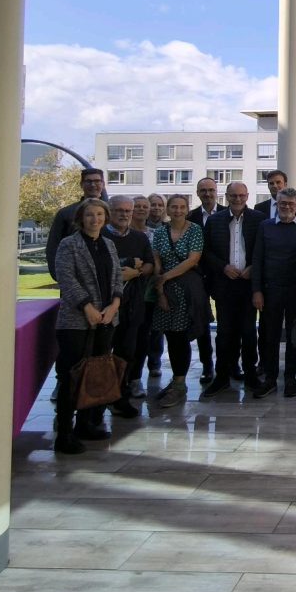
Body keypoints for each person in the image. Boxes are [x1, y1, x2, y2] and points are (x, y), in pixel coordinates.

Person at [52, 198, 123, 453]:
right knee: (72, 375)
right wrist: (87, 308)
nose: (96, 219)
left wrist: (114, 305)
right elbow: (66, 279)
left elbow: (117, 276)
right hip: (76, 321)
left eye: (100, 215)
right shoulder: (68, 245)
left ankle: (86, 424)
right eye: (90, 215)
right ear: (81, 219)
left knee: (95, 373)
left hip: (106, 318)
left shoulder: (109, 245)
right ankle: (64, 432)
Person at [201, 181, 263, 397]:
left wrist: (253, 268)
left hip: (248, 284)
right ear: (226, 196)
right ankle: (222, 376)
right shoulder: (215, 220)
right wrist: (223, 267)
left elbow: (262, 250)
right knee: (224, 333)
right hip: (224, 284)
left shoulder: (258, 219)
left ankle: (251, 374)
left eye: (241, 196)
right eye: (233, 196)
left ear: (247, 196)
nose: (237, 199)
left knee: (248, 332)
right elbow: (206, 252)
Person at [251, 187, 296, 397]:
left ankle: (289, 377)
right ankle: (270, 378)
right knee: (270, 336)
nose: (287, 207)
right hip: (271, 290)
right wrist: (257, 290)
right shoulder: (265, 226)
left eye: (291, 204)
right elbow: (257, 260)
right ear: (276, 204)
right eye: (283, 204)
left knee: (295, 336)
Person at [149, 194, 208, 408]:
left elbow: (192, 260)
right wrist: (160, 288)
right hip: (164, 288)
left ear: (187, 209)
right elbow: (156, 260)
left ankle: (180, 383)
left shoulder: (194, 230)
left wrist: (165, 277)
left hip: (186, 288)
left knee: (182, 335)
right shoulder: (160, 232)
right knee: (171, 336)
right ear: (168, 209)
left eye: (182, 207)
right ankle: (176, 379)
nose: (178, 210)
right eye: (174, 207)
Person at [104, 195, 154, 418]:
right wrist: (126, 265)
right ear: (110, 212)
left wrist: (137, 271)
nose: (124, 214)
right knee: (101, 354)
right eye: (119, 210)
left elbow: (149, 263)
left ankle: (120, 396)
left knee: (126, 352)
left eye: (127, 211)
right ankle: (98, 399)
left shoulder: (139, 238)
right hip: (104, 306)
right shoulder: (100, 236)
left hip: (132, 304)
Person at [46, 168, 107, 279]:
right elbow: (53, 247)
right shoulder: (65, 213)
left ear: (103, 184)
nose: (93, 184)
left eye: (97, 181)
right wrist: (59, 276)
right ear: (81, 184)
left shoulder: (113, 212)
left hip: (107, 278)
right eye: (88, 181)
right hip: (74, 278)